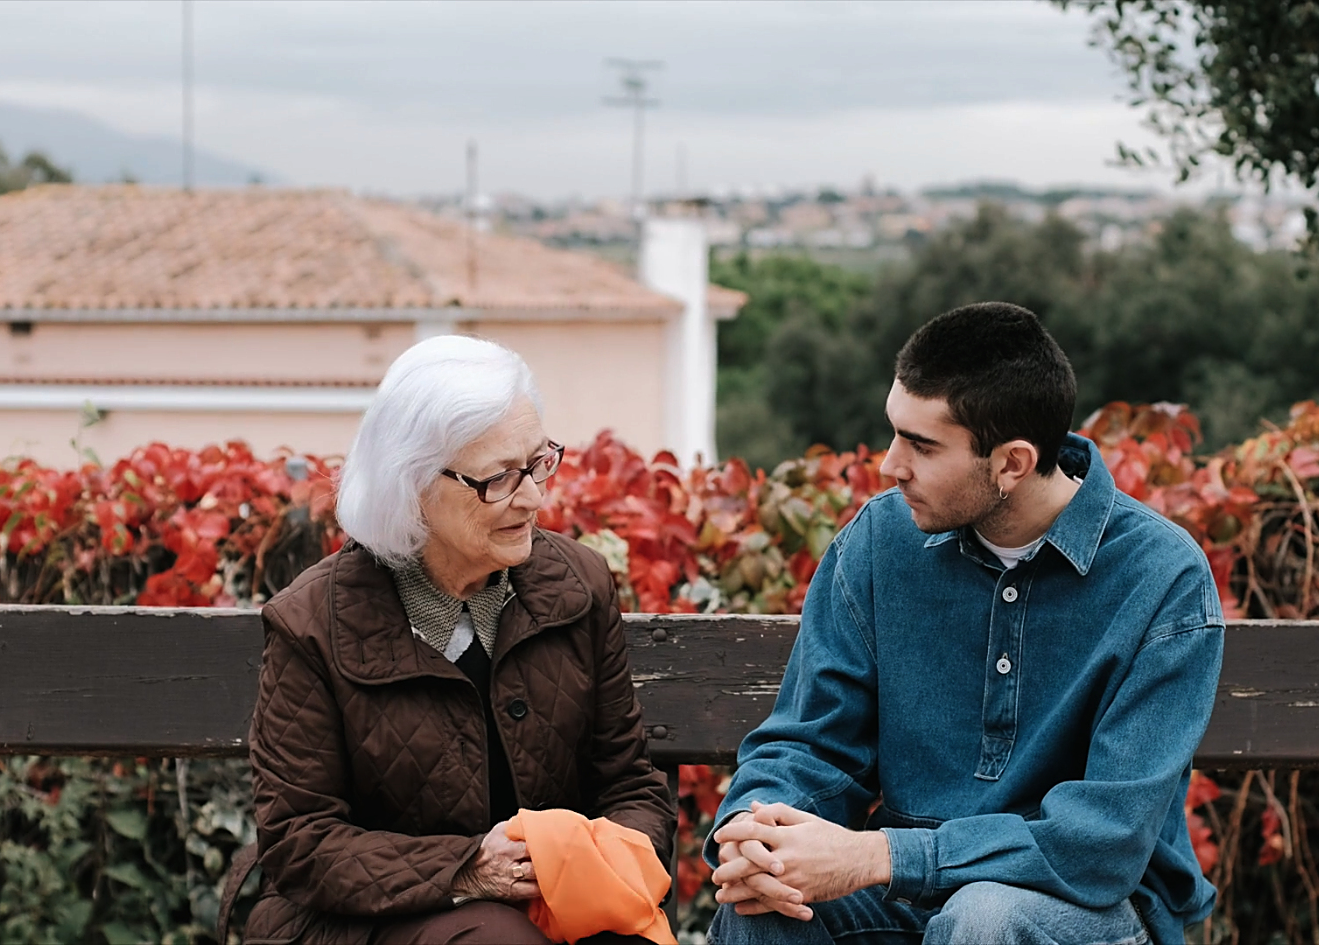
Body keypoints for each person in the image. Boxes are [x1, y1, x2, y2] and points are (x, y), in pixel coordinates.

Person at [705, 302, 1225, 945]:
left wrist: (881, 857)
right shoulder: (877, 543)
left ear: (1011, 463)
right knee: (763, 911)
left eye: (921, 446)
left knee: (985, 920)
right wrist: (757, 835)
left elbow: (1103, 843)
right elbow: (810, 744)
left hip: (1087, 910)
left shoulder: (1161, 578)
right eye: (895, 432)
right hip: (909, 897)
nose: (890, 466)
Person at [245, 335, 674, 945]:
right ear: (412, 484)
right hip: (362, 923)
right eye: (498, 479)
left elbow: (629, 786)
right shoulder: (311, 622)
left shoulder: (579, 586)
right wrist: (468, 868)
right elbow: (300, 841)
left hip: (553, 904)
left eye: (537, 463)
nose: (532, 497)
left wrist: (603, 863)